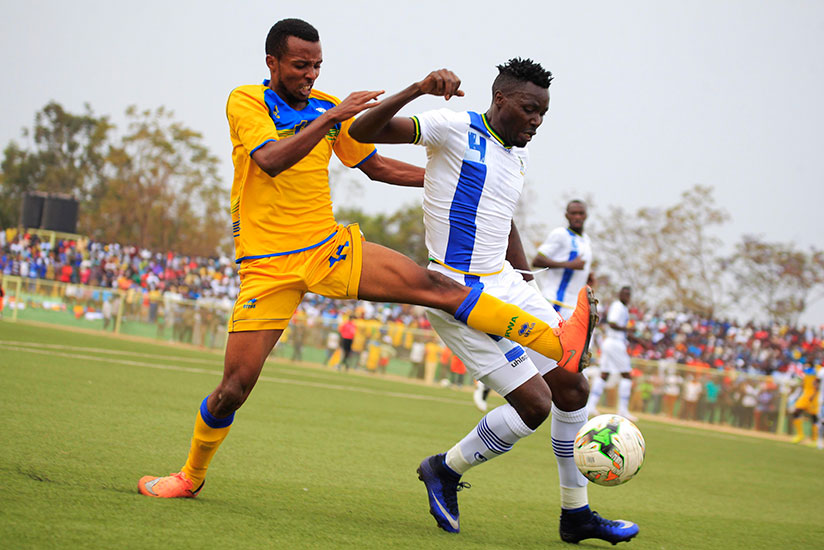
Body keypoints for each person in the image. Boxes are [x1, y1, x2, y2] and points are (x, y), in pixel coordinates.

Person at [137, 19, 595, 501]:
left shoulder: (325, 107)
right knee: (234, 387)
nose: (310, 75)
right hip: (267, 264)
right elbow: (271, 160)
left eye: (317, 65)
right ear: (271, 62)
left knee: (433, 286)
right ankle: (190, 475)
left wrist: (455, 181)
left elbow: (375, 167)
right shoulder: (246, 100)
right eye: (299, 65)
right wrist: (331, 120)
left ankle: (555, 337)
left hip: (328, 248)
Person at [349, 59, 636, 544]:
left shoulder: (515, 156)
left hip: (506, 282)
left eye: (543, 114)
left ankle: (576, 515)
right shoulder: (454, 126)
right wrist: (418, 89)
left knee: (573, 387)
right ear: (500, 99)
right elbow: (362, 129)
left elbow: (502, 220)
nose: (536, 121)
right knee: (534, 404)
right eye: (529, 109)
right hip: (457, 292)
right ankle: (444, 469)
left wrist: (526, 281)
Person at [532, 200, 593, 320]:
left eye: (581, 213)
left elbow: (580, 267)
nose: (577, 217)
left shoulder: (586, 240)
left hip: (573, 305)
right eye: (573, 213)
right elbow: (537, 261)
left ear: (586, 216)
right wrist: (570, 265)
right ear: (567, 215)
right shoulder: (560, 234)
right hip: (555, 301)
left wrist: (587, 276)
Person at [585, 286, 637, 421]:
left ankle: (591, 405)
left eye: (628, 294)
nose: (625, 296)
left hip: (611, 342)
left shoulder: (624, 308)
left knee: (604, 374)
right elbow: (612, 323)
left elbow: (622, 330)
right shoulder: (618, 306)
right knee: (627, 375)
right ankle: (623, 410)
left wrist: (639, 340)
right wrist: (628, 329)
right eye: (623, 293)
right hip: (615, 343)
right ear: (619, 294)